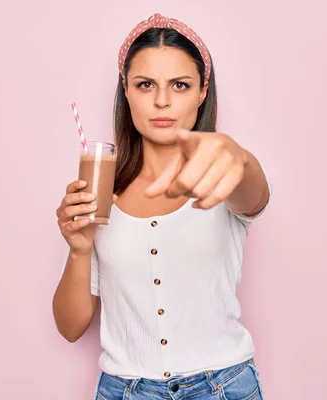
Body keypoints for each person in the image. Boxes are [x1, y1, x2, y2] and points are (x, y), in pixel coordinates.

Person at [53, 13, 270, 400]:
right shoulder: (103, 194)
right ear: (126, 89)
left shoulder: (221, 175)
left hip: (223, 387)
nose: (162, 101)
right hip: (124, 390)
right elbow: (71, 328)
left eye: (180, 85)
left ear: (203, 91)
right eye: (146, 84)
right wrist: (78, 248)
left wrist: (238, 157)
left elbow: (254, 192)